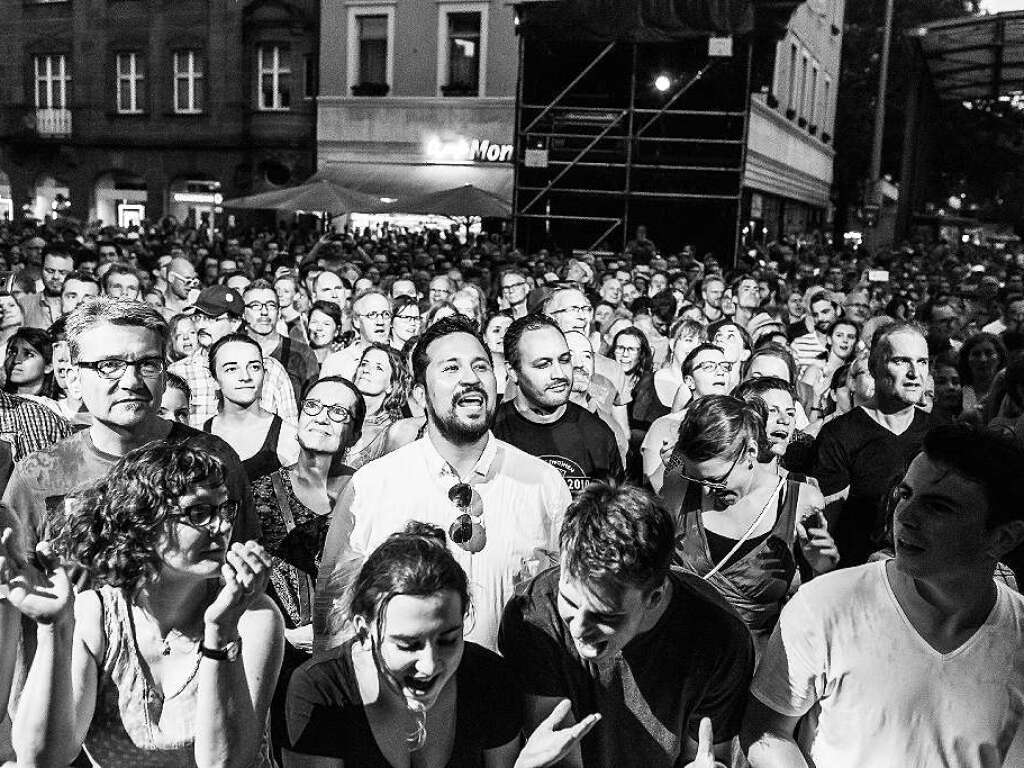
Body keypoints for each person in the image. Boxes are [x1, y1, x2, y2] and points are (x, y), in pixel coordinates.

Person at [742, 425, 1024, 768]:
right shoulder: (823, 606)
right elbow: (767, 732)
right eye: (905, 494)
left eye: (938, 507)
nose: (905, 516)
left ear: (1003, 538)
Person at [5, 442, 284, 768]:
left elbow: (224, 763)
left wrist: (220, 633)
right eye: (199, 512)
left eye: (225, 509)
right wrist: (54, 627)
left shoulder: (251, 616)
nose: (222, 526)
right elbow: (42, 757)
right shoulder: (97, 615)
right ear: (141, 523)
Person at [316, 316, 571, 651]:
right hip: (401, 698)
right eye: (451, 368)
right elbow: (333, 614)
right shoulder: (372, 486)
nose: (470, 378)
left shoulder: (544, 485)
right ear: (421, 394)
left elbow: (569, 607)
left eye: (481, 366)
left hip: (511, 697)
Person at [286, 522, 598, 768]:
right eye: (408, 645)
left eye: (449, 639)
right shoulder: (320, 690)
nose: (431, 664)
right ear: (364, 631)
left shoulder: (488, 679)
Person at [499, 482, 755, 768]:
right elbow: (559, 753)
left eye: (604, 616)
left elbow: (706, 755)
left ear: (654, 597)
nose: (579, 629)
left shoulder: (720, 638)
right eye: (570, 603)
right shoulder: (534, 613)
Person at [251, 375, 366, 758]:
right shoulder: (258, 493)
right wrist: (280, 632)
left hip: (358, 661)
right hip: (283, 663)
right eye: (312, 407)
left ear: (355, 432)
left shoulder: (372, 491)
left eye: (338, 412)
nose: (321, 418)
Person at [662, 395, 836, 645]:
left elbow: (820, 604)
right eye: (697, 479)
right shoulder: (680, 484)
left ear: (751, 451)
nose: (707, 491)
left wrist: (822, 568)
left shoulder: (801, 501)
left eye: (717, 479)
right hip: (680, 651)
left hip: (752, 664)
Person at [813, 322, 934, 567]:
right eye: (901, 361)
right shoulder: (840, 434)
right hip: (858, 578)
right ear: (874, 366)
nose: (914, 373)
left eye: (922, 362)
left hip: (926, 579)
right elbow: (824, 529)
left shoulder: (940, 434)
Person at [493, 314, 623, 495]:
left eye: (564, 360)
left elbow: (614, 515)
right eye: (543, 364)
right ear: (513, 372)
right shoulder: (490, 434)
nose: (559, 373)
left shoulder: (598, 434)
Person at [170, 285, 298, 427]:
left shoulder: (271, 371)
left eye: (211, 318)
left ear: (235, 323)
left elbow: (290, 430)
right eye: (198, 317)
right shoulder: (179, 372)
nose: (201, 326)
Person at [203, 333, 300, 483]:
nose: (245, 376)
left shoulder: (288, 437)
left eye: (254, 367)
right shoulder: (200, 436)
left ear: (264, 374)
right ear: (214, 380)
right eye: (231, 369)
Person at [642, 343, 731, 492]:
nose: (720, 372)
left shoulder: (739, 423)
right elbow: (651, 491)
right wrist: (669, 465)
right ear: (689, 381)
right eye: (709, 366)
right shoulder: (665, 425)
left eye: (725, 366)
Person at [244, 280, 320, 403]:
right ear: (243, 313)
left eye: (271, 305)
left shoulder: (302, 353)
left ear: (279, 312)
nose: (264, 312)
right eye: (255, 306)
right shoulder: (232, 350)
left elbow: (313, 402)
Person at [345, 343, 409, 470]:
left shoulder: (393, 433)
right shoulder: (337, 413)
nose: (366, 370)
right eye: (364, 364)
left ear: (391, 385)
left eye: (378, 368)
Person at [321, 290, 394, 381]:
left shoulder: (400, 360)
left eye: (386, 314)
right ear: (356, 321)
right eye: (372, 315)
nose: (380, 322)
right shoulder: (335, 363)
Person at [653, 319, 706, 409]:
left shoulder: (704, 388)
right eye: (689, 340)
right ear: (672, 344)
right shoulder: (648, 381)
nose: (694, 348)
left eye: (700, 343)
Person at [3, 327, 60, 408]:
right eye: (12, 352)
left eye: (29, 354)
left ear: (49, 366)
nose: (16, 360)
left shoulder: (58, 410)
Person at [790, 289, 839, 370]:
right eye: (815, 315)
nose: (820, 318)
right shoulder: (798, 345)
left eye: (825, 312)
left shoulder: (848, 342)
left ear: (837, 310)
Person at [483, 311, 513, 401]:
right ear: (485, 337)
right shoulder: (478, 373)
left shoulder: (522, 372)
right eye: (496, 331)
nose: (502, 335)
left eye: (508, 331)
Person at [307, 300, 344, 365]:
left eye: (326, 324)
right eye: (314, 322)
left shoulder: (342, 362)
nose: (319, 328)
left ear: (337, 331)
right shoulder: (297, 359)